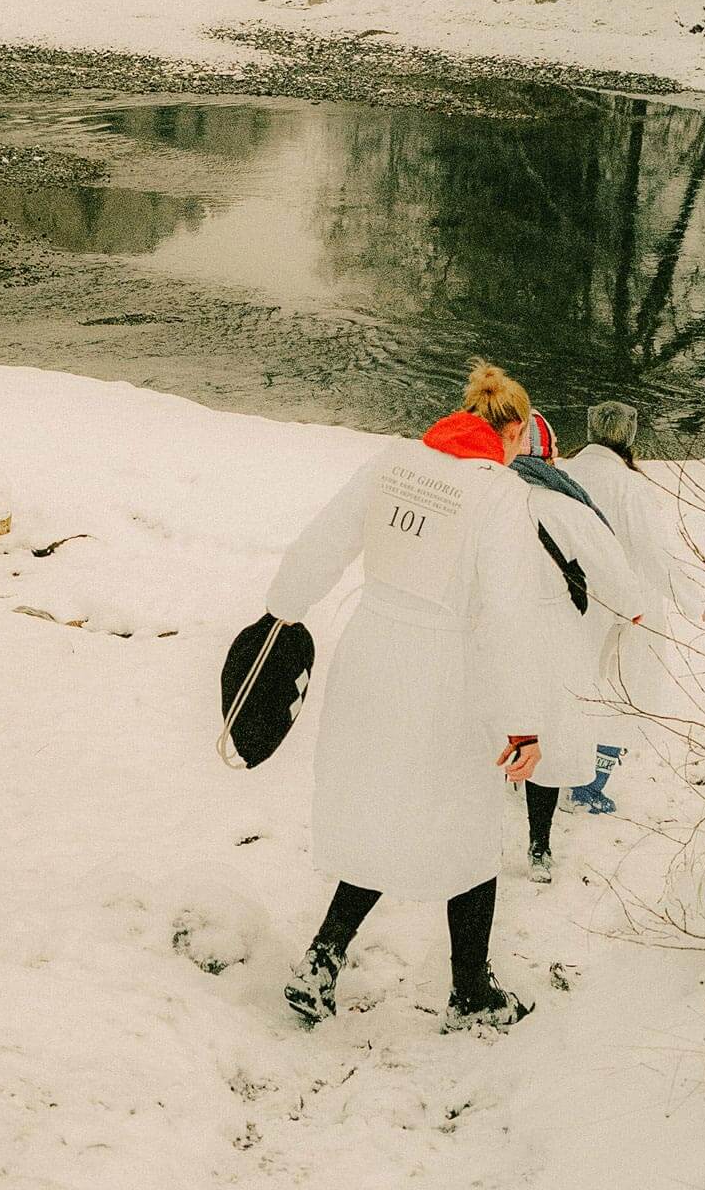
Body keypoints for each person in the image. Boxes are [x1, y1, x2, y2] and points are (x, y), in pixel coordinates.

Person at [264, 361, 575, 1031]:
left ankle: (322, 959)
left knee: (383, 806)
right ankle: (471, 991)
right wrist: (523, 722)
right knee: (468, 821)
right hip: (446, 672)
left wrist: (280, 611)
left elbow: (324, 539)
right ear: (513, 431)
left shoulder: (394, 462)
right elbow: (510, 613)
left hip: (371, 655)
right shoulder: (498, 495)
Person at [511, 411, 643, 877]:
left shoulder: (485, 497)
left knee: (492, 728)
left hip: (488, 633)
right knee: (541, 734)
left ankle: (472, 829)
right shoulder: (568, 507)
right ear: (550, 455)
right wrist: (633, 607)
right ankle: (538, 846)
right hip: (548, 637)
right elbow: (618, 577)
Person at [564, 400, 696, 811]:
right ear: (630, 436)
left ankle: (555, 766)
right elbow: (652, 552)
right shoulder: (630, 486)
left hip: (567, 595)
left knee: (570, 681)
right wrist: (690, 598)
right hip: (622, 604)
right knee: (618, 690)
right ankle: (590, 785)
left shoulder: (565, 473)